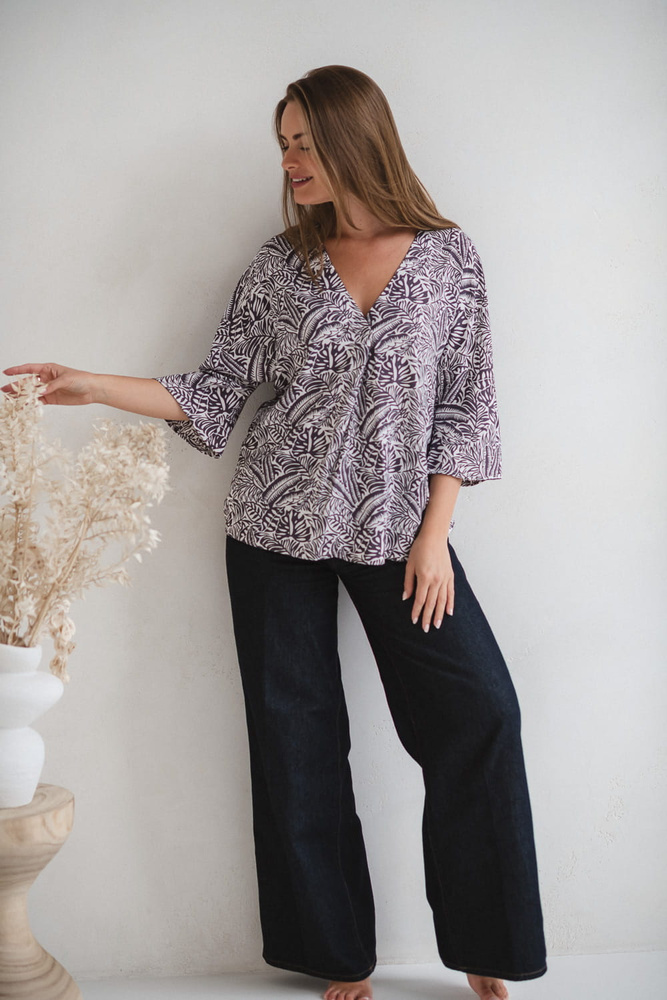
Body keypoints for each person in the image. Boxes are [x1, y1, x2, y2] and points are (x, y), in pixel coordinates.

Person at [3, 65, 547, 1000]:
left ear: (352, 138)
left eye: (303, 142)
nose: (290, 161)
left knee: (480, 714)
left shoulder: (447, 259)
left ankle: (484, 942)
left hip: (395, 529)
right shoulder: (281, 267)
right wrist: (90, 385)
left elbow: (465, 405)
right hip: (273, 522)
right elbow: (216, 392)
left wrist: (434, 536)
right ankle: (335, 955)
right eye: (283, 144)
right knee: (296, 737)